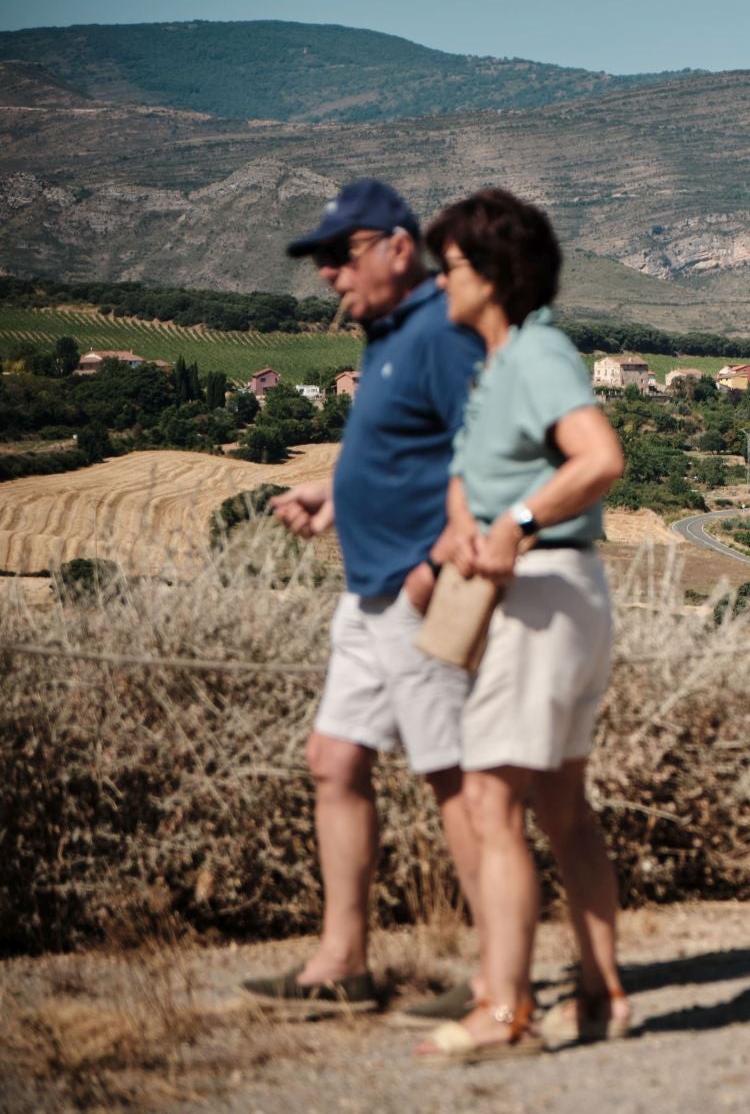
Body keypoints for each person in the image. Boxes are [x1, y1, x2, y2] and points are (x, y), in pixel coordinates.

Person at [244, 181, 487, 1018]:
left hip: (413, 594)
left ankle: (499, 973)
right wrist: (336, 493)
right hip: (368, 588)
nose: (325, 276)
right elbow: (402, 454)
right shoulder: (386, 337)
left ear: (396, 247)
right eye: (319, 260)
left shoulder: (442, 334)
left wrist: (434, 569)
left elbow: (488, 452)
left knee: (455, 780)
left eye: (338, 255)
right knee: (333, 760)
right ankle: (343, 962)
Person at [412, 188, 628, 1063]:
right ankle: (603, 997)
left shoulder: (537, 353)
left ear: (494, 276)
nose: (438, 285)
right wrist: (463, 533)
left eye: (450, 269)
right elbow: (484, 488)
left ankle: (506, 1010)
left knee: (494, 804)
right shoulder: (498, 369)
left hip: (539, 597)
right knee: (565, 810)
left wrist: (515, 527)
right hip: (562, 598)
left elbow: (601, 457)